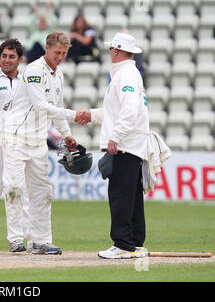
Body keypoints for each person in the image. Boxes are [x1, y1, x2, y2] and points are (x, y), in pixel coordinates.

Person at [0, 32, 80, 255]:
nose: (60, 57)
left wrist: (67, 135)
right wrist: (76, 114)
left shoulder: (59, 75)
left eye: (64, 53)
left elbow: (58, 108)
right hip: (16, 137)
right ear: (47, 48)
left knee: (42, 192)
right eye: (57, 52)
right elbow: (40, 106)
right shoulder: (34, 70)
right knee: (15, 188)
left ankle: (40, 241)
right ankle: (16, 239)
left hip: (37, 141)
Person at [76, 32, 149, 259]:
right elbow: (116, 111)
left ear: (116, 50)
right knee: (132, 196)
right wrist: (92, 115)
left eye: (111, 49)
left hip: (125, 144)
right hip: (132, 143)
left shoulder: (125, 74)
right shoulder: (129, 73)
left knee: (120, 195)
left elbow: (129, 110)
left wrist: (115, 136)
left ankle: (123, 245)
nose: (109, 53)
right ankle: (135, 243)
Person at [0, 39, 33, 252]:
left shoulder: (27, 82)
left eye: (11, 57)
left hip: (19, 140)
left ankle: (21, 238)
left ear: (20, 60)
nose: (6, 60)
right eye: (3, 56)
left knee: (19, 189)